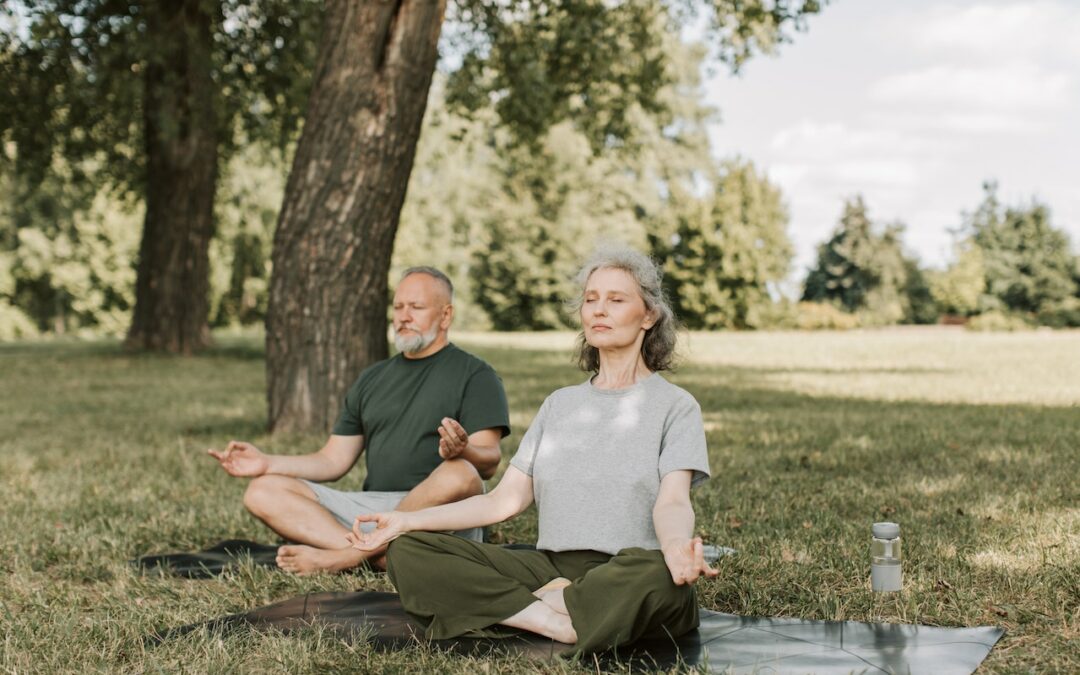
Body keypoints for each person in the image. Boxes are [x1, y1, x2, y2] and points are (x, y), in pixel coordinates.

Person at [349, 245, 716, 653]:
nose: (598, 310)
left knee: (662, 579)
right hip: (551, 568)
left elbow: (673, 502)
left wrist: (675, 548)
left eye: (616, 300)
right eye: (591, 299)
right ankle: (553, 620)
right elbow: (503, 501)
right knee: (410, 550)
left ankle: (531, 606)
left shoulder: (675, 406)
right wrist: (405, 523)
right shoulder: (559, 404)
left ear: (648, 315)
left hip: (627, 568)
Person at [207, 267, 511, 574]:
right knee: (263, 490)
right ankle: (379, 557)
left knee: (460, 473)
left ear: (445, 316)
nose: (403, 317)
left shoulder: (476, 375)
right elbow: (333, 460)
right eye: (398, 307)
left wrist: (464, 450)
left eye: (416, 307)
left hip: (439, 512)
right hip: (374, 511)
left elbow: (487, 464)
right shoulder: (373, 378)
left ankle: (346, 558)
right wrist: (266, 463)